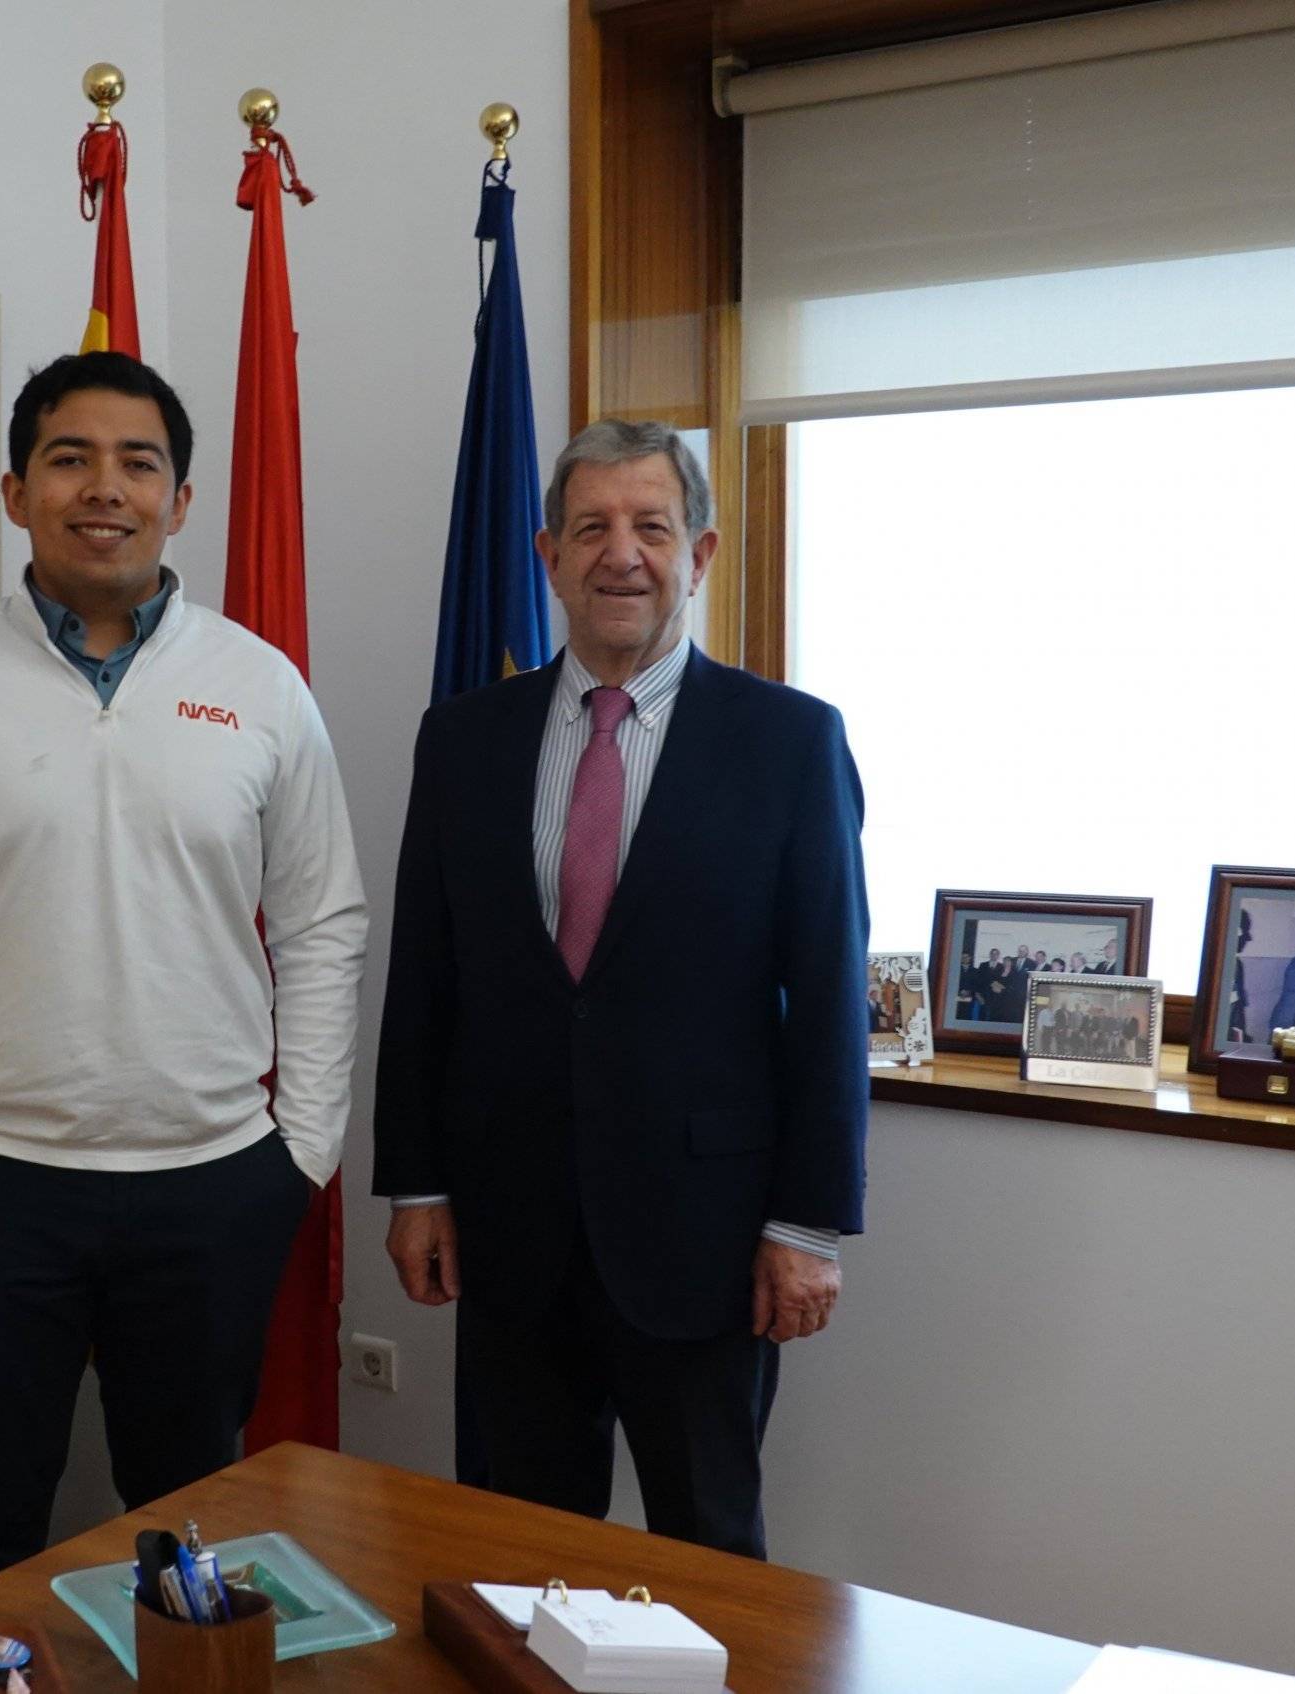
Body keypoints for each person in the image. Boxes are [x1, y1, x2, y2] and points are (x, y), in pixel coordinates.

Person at [0, 351, 368, 1577]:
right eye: (69, 458)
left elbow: (324, 918)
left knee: (188, 1534)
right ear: (14, 491)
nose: (102, 487)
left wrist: (307, 1142)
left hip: (212, 1181)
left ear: (181, 498)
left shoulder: (260, 688)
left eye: (138, 462)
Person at [374, 420, 866, 1558]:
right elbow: (424, 980)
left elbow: (830, 1001)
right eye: (590, 527)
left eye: (650, 526)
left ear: (697, 555)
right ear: (547, 553)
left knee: (708, 1549)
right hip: (509, 1232)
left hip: (705, 1240)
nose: (620, 554)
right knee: (518, 1556)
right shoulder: (460, 742)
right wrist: (414, 1185)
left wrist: (805, 1222)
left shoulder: (788, 743)